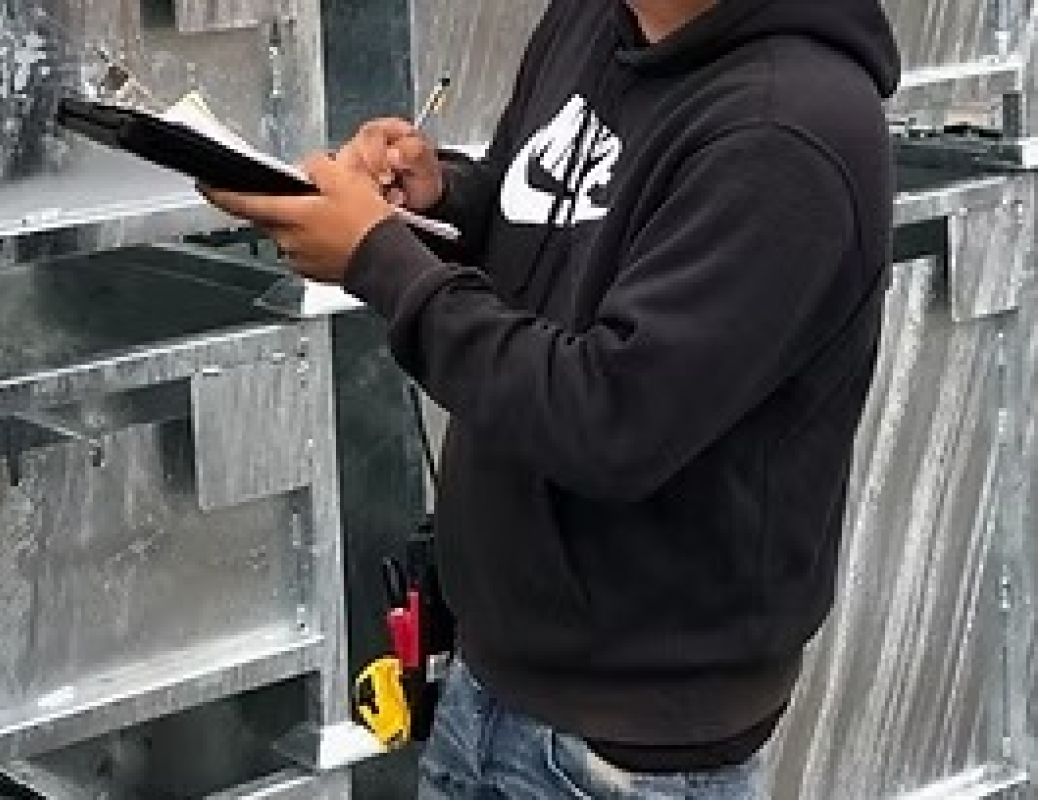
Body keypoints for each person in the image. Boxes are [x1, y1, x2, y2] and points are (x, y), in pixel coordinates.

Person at [204, 0, 900, 796]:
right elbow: (539, 232)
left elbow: (610, 421)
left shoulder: (788, 134)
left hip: (627, 754)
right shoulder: (592, 21)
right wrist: (436, 202)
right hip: (487, 683)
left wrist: (381, 260)